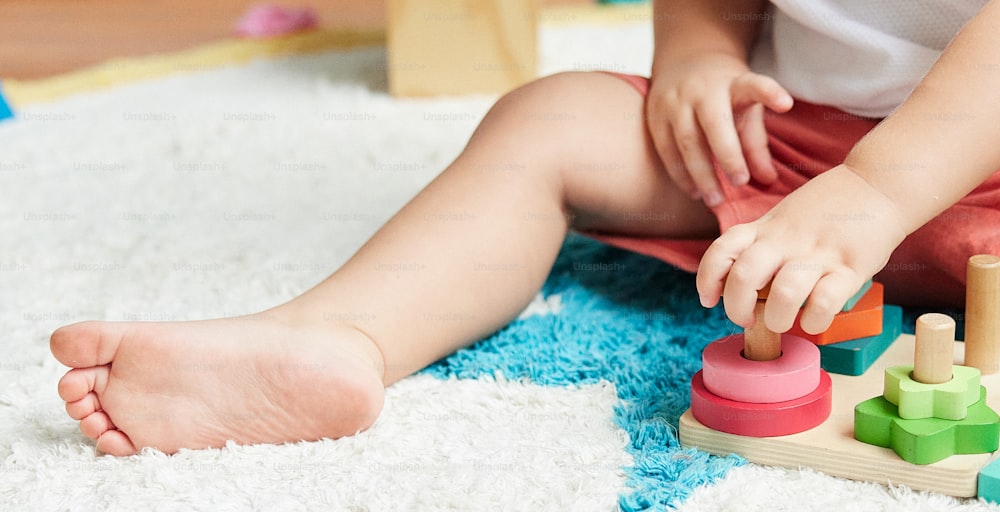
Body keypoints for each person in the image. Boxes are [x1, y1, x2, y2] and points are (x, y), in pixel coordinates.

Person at [50, 0, 1000, 456]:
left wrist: (875, 194)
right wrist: (698, 56)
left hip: (980, 169)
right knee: (553, 120)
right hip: (780, 131)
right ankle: (342, 336)